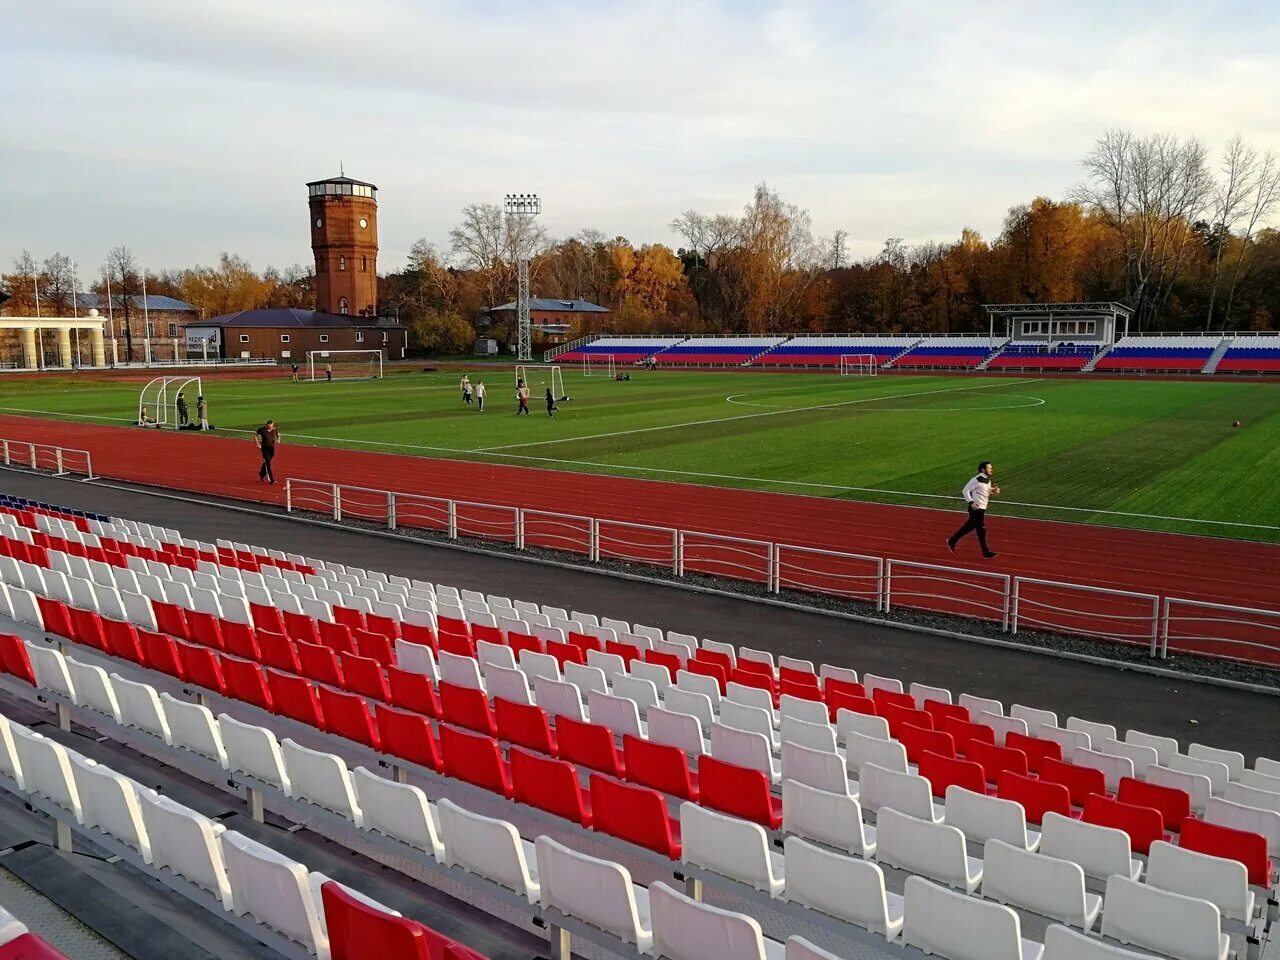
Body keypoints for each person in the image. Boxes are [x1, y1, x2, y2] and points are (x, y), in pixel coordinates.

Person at [947, 461, 1000, 559]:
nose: (991, 470)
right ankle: (986, 552)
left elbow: (985, 491)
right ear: (983, 470)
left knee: (969, 527)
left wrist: (993, 490)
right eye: (989, 468)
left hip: (982, 508)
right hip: (976, 508)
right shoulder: (976, 479)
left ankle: (952, 541)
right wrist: (971, 503)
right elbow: (965, 490)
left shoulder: (987, 480)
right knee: (981, 530)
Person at [255, 419, 280, 484]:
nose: (270, 427)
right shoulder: (262, 430)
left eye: (271, 426)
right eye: (269, 426)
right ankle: (271, 479)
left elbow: (278, 434)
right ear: (266, 425)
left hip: (271, 449)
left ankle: (261, 474)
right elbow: (255, 435)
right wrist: (258, 444)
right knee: (268, 464)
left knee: (266, 462)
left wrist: (278, 439)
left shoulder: (274, 429)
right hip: (264, 449)